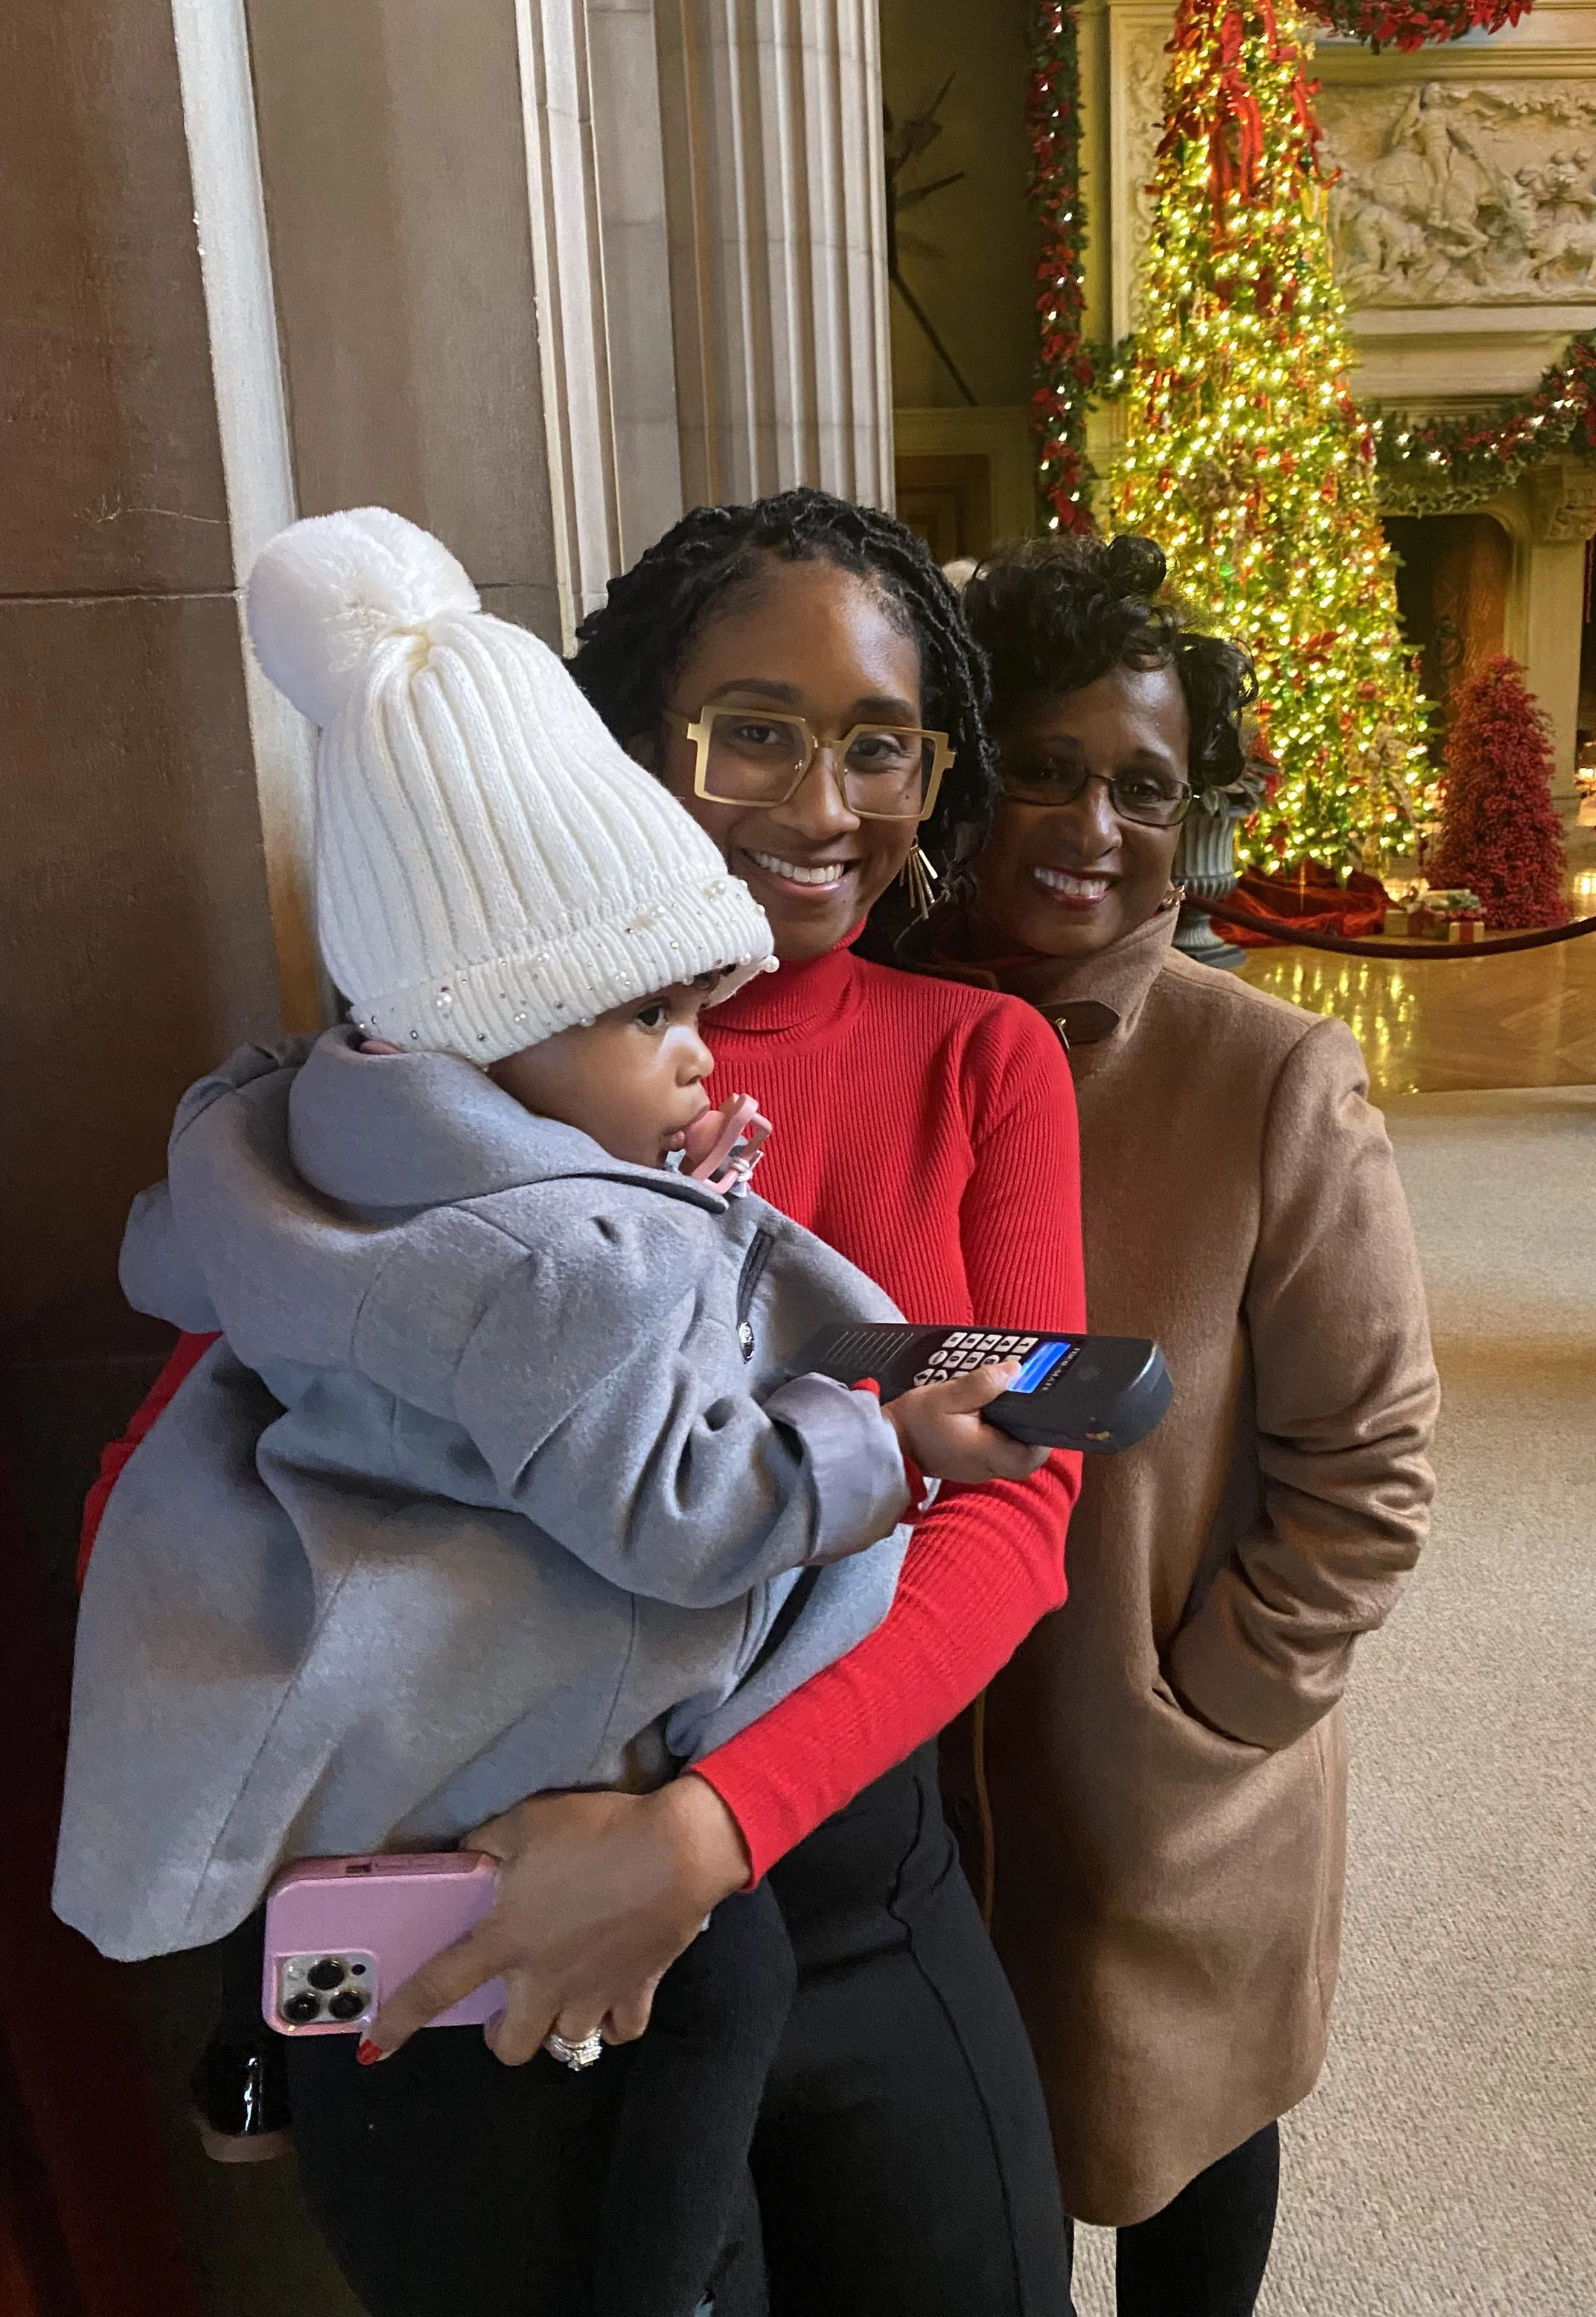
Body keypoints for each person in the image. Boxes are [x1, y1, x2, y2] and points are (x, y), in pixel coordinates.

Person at [80, 491, 1087, 2317]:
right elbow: (202, 1472)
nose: (817, 803)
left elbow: (1017, 1514)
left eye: (880, 745)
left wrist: (702, 1837)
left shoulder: (976, 1060)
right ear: (623, 746)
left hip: (835, 1861)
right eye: (753, 731)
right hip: (490, 1892)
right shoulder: (422, 1093)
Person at [917, 533, 1439, 2316]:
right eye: (1044, 768)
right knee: (956, 2210)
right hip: (900, 1780)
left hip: (1160, 1781)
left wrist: (1202, 1720)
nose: (1089, 823)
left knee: (1181, 2162)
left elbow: (1367, 1460)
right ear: (970, 775)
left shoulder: (1265, 1075)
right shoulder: (874, 1028)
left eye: (1142, 785)